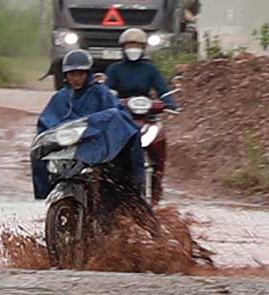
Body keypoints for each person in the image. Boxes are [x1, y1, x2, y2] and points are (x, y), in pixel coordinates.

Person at [32, 49, 134, 200]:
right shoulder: (60, 97)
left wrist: (98, 126)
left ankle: (130, 193)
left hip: (96, 145)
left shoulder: (101, 93)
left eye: (80, 74)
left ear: (88, 74)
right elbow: (46, 121)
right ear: (66, 75)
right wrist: (47, 138)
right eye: (72, 74)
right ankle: (44, 192)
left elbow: (117, 115)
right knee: (37, 151)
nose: (76, 79)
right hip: (68, 145)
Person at [106, 28, 178, 110]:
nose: (133, 49)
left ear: (143, 48)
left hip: (146, 109)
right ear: (123, 48)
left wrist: (170, 103)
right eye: (129, 46)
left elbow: (162, 89)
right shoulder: (114, 69)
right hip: (121, 109)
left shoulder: (150, 68)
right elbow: (108, 92)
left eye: (137, 46)